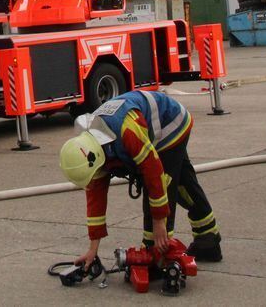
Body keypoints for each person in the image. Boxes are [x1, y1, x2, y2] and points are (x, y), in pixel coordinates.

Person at [60, 90, 222, 269]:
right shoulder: (91, 150)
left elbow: (154, 173)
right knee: (184, 184)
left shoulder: (126, 131)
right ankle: (208, 240)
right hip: (151, 127)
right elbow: (95, 201)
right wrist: (93, 249)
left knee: (164, 185)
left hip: (171, 122)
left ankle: (157, 255)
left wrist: (159, 222)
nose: (95, 179)